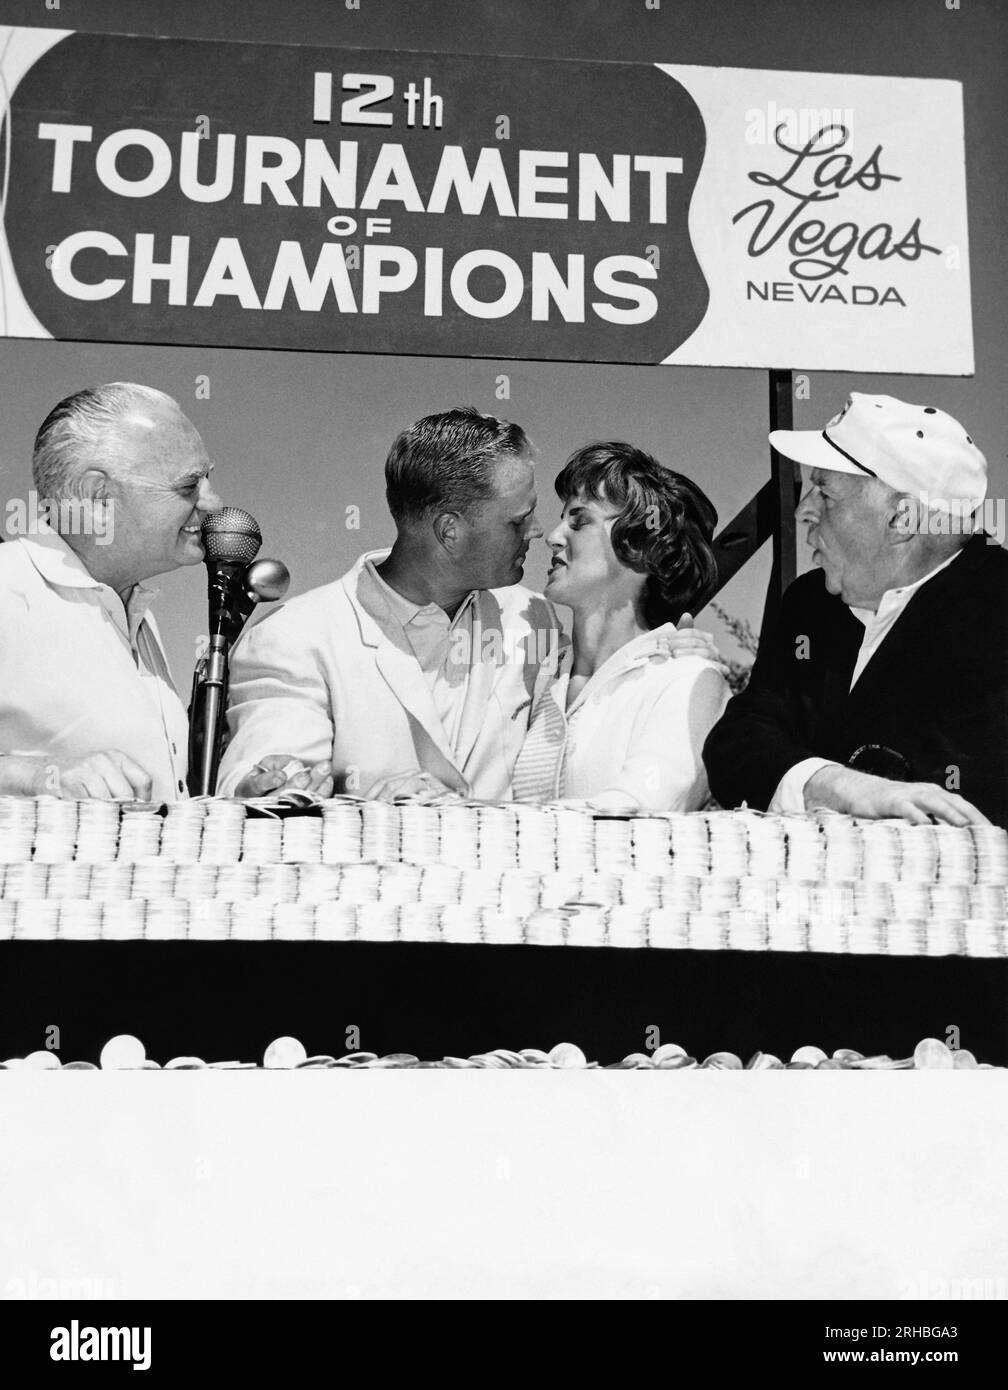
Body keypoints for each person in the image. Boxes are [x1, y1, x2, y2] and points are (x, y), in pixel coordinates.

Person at [217, 408, 719, 801]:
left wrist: (672, 651)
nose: (542, 533)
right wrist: (290, 784)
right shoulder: (296, 637)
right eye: (517, 521)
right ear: (450, 531)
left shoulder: (535, 622)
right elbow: (273, 779)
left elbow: (622, 687)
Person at [703, 392, 1007, 827]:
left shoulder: (996, 611)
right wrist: (835, 785)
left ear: (901, 519)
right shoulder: (809, 605)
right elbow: (739, 742)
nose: (804, 510)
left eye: (825, 492)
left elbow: (970, 794)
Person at [0, 382, 222, 801]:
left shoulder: (133, 609)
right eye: (188, 486)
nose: (213, 503)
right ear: (98, 494)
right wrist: (39, 778)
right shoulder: (7, 590)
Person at [511, 442, 729, 812]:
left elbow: (640, 811)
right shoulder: (539, 675)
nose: (553, 536)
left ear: (644, 546)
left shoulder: (688, 679)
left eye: (580, 520)